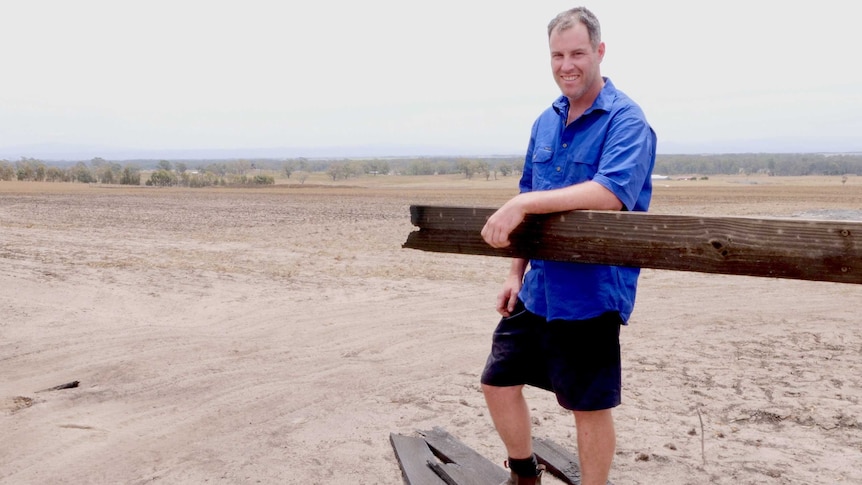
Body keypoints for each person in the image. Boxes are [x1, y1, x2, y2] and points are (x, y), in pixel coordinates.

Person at [479, 6, 656, 485]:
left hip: (591, 292)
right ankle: (524, 474)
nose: (566, 65)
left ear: (599, 52)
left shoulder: (626, 120)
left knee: (587, 405)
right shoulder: (546, 121)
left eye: (577, 53)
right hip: (539, 288)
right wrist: (515, 274)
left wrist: (524, 200)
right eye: (557, 55)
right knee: (497, 383)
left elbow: (611, 193)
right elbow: (529, 211)